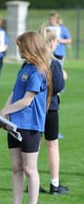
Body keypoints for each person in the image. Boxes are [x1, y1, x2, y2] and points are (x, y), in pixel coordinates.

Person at [0, 31, 52, 204]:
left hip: (31, 126)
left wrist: (5, 111)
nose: (18, 50)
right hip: (15, 125)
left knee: (30, 169)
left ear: (30, 47)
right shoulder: (25, 67)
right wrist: (3, 113)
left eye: (21, 47)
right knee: (17, 167)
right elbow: (15, 92)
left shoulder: (38, 71)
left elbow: (27, 100)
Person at [40, 27, 69, 194]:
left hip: (34, 110)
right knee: (52, 145)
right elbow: (57, 87)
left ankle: (32, 183)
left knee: (33, 147)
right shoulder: (54, 63)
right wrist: (63, 78)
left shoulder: (32, 61)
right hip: (50, 109)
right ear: (51, 43)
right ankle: (54, 184)